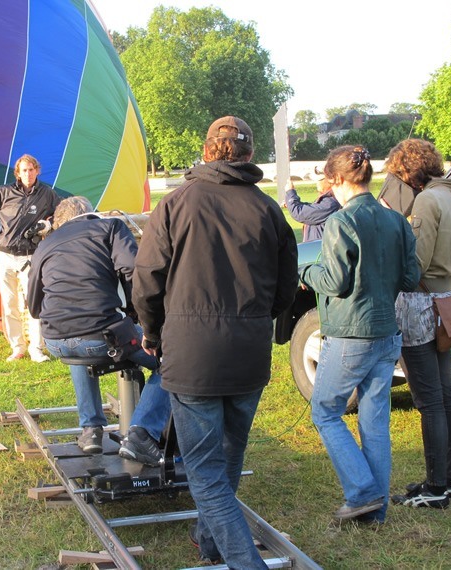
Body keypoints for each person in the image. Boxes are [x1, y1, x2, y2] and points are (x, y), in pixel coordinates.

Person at [133, 116, 298, 567]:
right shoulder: (268, 210)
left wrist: (151, 332)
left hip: (193, 355)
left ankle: (245, 562)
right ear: (247, 156)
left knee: (207, 474)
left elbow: (147, 280)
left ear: (207, 151)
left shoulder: (176, 204)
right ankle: (210, 544)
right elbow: (286, 287)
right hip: (247, 351)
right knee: (226, 458)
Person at [299, 145, 420, 524]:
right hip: (387, 333)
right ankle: (375, 512)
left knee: (325, 412)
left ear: (336, 180)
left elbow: (333, 280)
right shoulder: (396, 220)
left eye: (327, 183)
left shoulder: (341, 221)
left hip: (351, 336)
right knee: (374, 422)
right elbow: (411, 277)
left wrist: (304, 274)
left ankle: (363, 492)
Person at [27, 196, 170, 462]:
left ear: (59, 222)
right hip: (105, 336)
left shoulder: (46, 244)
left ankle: (91, 429)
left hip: (55, 340)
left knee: (78, 339)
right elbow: (133, 270)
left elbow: (34, 307)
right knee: (173, 363)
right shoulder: (111, 228)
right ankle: (142, 433)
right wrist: (135, 314)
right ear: (91, 213)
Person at [387, 139, 451, 509]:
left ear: (408, 171)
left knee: (429, 401)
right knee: (446, 394)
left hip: (419, 305)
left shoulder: (427, 200)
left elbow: (414, 269)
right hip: (446, 302)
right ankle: (449, 482)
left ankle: (436, 487)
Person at [0, 154, 62, 363]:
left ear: (37, 170)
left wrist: (47, 225)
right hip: (4, 255)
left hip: (31, 255)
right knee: (10, 302)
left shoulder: (48, 194)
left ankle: (36, 348)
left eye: (31, 170)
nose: (28, 174)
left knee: (33, 302)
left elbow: (62, 213)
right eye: (24, 171)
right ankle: (17, 347)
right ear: (18, 173)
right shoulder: (4, 192)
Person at [284, 168, 341, 241]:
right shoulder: (330, 200)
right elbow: (313, 208)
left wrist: (290, 192)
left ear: (330, 180)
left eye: (320, 180)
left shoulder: (331, 202)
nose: (317, 183)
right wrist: (294, 203)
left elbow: (299, 213)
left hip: (320, 250)